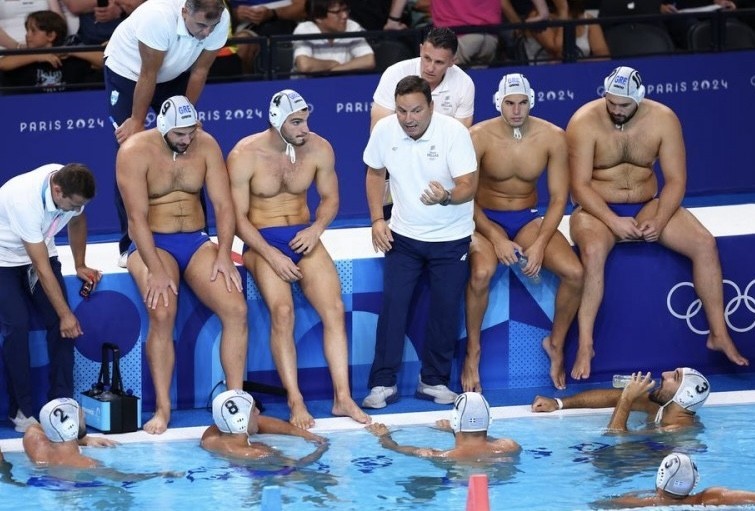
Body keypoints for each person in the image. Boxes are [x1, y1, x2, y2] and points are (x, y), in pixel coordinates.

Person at [566, 66, 749, 379]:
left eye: (623, 105)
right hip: (597, 210)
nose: (616, 110)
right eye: (611, 102)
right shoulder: (583, 121)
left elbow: (676, 180)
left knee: (704, 243)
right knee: (593, 251)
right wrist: (613, 221)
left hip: (648, 204)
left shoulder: (664, 119)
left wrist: (661, 219)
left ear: (639, 98)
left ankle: (718, 334)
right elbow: (579, 186)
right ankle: (586, 344)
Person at [227, 89, 370, 430]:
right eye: (296, 122)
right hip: (262, 242)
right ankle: (295, 399)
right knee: (283, 311)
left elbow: (330, 198)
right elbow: (237, 218)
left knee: (334, 309)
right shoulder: (244, 155)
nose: (304, 128)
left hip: (303, 235)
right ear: (277, 122)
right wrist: (270, 254)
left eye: (305, 120)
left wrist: (316, 229)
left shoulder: (320, 148)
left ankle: (342, 397)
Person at [116, 95, 248, 435]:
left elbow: (223, 205)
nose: (187, 140)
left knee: (236, 308)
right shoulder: (133, 151)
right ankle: (163, 408)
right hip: (150, 243)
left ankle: (235, 401)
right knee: (162, 312)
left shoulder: (206, 145)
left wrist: (224, 253)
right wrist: (155, 269)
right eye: (179, 134)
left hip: (195, 240)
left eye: (191, 132)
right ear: (162, 127)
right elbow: (136, 220)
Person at [462, 73, 584, 393]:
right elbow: (466, 198)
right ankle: (473, 351)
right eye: (509, 103)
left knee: (574, 273)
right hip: (484, 219)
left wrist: (541, 243)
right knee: (481, 272)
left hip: (527, 219)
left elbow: (558, 198)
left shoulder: (553, 136)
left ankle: (555, 343)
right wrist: (496, 237)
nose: (516, 110)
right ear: (498, 103)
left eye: (522, 103)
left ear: (532, 102)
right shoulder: (478, 137)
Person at [362, 75, 478, 409]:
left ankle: (434, 381)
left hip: (451, 239)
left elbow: (469, 185)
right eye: (402, 111)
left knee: (444, 311)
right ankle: (382, 383)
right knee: (393, 308)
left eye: (416, 110)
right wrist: (377, 220)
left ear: (431, 106)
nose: (408, 118)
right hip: (404, 238)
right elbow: (374, 174)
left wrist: (446, 196)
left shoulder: (454, 133)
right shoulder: (385, 130)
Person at [104, 0, 230, 262]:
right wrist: (136, 121)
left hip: (174, 74)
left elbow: (200, 71)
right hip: (129, 73)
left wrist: (186, 117)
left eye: (212, 26)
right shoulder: (158, 18)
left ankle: (199, 235)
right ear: (184, 12)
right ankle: (129, 245)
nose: (207, 32)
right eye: (201, 25)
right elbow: (148, 74)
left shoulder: (220, 19)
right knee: (130, 152)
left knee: (190, 143)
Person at [0, 163, 99, 433]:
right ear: (57, 190)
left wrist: (80, 263)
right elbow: (41, 269)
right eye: (72, 205)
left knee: (63, 328)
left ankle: (61, 403)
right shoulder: (23, 200)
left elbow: (77, 220)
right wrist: (66, 314)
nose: (76, 209)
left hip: (40, 250)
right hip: (4, 260)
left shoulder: (71, 186)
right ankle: (21, 410)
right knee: (17, 325)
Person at [532, 367, 711, 430]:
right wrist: (558, 403)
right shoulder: (662, 407)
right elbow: (612, 397)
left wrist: (627, 399)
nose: (665, 374)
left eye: (675, 377)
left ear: (685, 396)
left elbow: (615, 439)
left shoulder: (674, 433)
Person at [369, 26, 475, 130]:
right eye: (427, 58)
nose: (430, 68)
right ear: (421, 50)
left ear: (452, 61)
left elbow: (460, 134)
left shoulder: (464, 84)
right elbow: (379, 129)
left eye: (439, 62)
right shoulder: (395, 73)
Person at [366, 392, 521, 459]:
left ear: (455, 420)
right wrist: (453, 429)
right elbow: (482, 441)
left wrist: (384, 436)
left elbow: (395, 448)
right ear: (489, 420)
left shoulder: (441, 456)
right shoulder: (510, 446)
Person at [201, 390, 329, 465]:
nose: (258, 413)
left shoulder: (208, 440)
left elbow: (258, 422)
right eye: (253, 410)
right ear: (241, 420)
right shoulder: (259, 453)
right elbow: (297, 465)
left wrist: (306, 435)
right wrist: (321, 450)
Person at [598, 452, 755, 508]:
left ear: (660, 477)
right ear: (694, 480)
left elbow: (599, 504)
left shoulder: (637, 503)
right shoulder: (712, 498)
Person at [0, 10, 103, 92]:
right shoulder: (24, 59)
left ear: (51, 36)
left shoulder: (70, 57)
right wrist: (38, 56)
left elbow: (105, 62)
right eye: (27, 30)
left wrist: (71, 51)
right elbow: (2, 64)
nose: (27, 35)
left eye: (33, 31)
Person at [23, 398, 119, 468]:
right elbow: (122, 480)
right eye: (80, 415)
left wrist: (85, 439)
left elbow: (39, 427)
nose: (84, 417)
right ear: (71, 425)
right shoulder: (89, 464)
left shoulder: (33, 444)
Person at [292, 0, 375, 75]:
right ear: (318, 17)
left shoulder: (352, 26)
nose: (344, 16)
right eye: (337, 12)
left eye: (345, 10)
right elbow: (305, 66)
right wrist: (332, 63)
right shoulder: (304, 29)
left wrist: (334, 70)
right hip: (307, 84)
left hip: (343, 81)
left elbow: (368, 61)